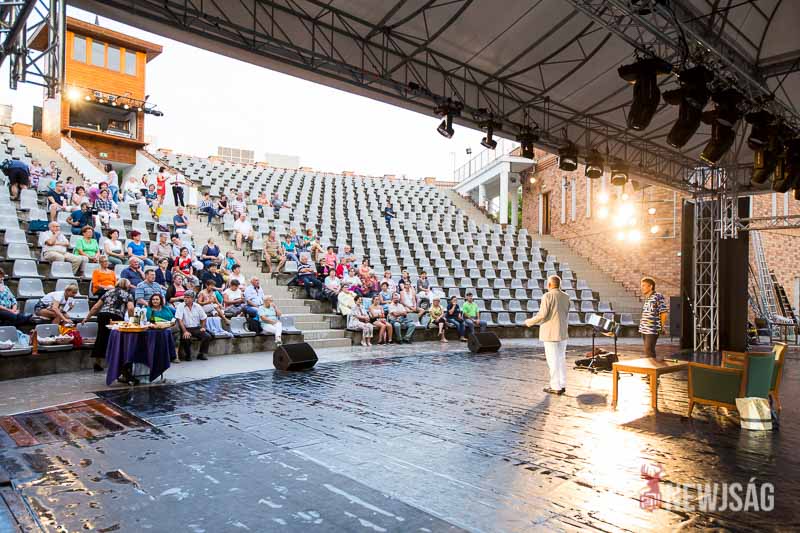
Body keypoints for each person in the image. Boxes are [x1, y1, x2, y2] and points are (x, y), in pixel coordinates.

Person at [525, 275, 571, 395]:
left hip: (551, 333)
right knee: (561, 359)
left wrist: (529, 322)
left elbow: (542, 314)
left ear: (549, 284)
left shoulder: (547, 296)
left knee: (552, 360)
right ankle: (562, 384)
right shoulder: (566, 296)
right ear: (559, 284)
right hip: (562, 332)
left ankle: (555, 386)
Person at [83, 278, 134, 372]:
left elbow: (96, 307)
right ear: (127, 286)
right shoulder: (128, 295)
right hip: (116, 317)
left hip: (103, 315)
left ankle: (98, 362)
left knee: (101, 338)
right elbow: (130, 308)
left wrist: (87, 317)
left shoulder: (108, 292)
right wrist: (132, 320)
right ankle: (115, 363)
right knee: (115, 339)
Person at [175, 291, 211, 361]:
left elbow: (204, 317)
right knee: (186, 337)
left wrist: (203, 327)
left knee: (207, 336)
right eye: (185, 297)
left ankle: (201, 354)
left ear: (193, 298)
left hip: (196, 328)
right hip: (185, 328)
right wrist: (185, 331)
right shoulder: (180, 306)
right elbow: (180, 320)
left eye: (188, 297)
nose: (185, 299)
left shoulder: (197, 306)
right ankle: (188, 355)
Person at [639, 277, 668, 359]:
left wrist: (662, 327)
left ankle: (652, 366)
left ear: (650, 286)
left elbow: (664, 312)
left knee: (649, 351)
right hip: (644, 329)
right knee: (647, 351)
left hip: (652, 329)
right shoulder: (648, 298)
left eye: (644, 285)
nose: (642, 288)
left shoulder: (657, 296)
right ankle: (650, 365)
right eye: (641, 285)